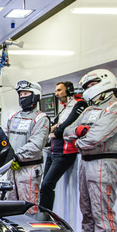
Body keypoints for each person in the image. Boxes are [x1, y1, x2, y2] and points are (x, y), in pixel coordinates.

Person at [63, 69, 117, 232]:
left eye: (91, 85)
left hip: (104, 162)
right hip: (85, 162)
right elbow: (67, 131)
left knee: (102, 212)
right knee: (86, 209)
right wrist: (80, 134)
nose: (88, 90)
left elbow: (94, 138)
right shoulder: (89, 110)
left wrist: (79, 138)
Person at [40, 81, 88, 211]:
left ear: (69, 90)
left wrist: (57, 130)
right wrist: (55, 129)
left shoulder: (80, 104)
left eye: (59, 90)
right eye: (56, 91)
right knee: (44, 186)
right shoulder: (64, 107)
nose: (57, 94)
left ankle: (45, 217)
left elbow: (65, 127)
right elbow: (52, 127)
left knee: (47, 185)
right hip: (53, 151)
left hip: (64, 153)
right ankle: (43, 214)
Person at [6, 79, 50, 206]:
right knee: (11, 206)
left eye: (26, 94)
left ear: (35, 95)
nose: (22, 97)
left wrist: (16, 155)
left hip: (29, 169)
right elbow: (5, 139)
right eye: (20, 94)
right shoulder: (13, 117)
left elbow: (36, 144)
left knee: (28, 208)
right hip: (12, 169)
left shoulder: (41, 118)